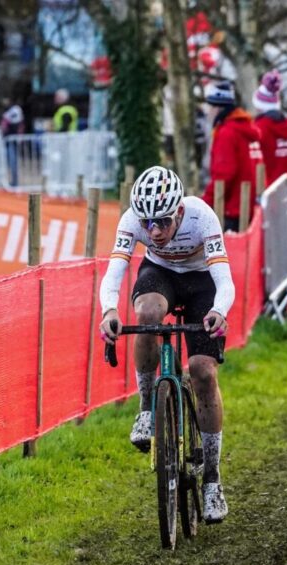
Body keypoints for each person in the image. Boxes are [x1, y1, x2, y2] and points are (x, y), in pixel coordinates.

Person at [98, 166, 234, 523]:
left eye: (162, 222)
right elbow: (114, 272)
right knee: (147, 313)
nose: (154, 231)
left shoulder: (203, 217)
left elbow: (224, 280)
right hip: (160, 275)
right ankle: (146, 408)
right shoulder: (132, 220)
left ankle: (212, 478)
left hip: (202, 283)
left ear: (179, 211)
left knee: (203, 372)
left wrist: (219, 311)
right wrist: (109, 310)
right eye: (148, 224)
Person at [201, 80, 263, 232]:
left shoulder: (227, 133)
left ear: (218, 108)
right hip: (249, 207)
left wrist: (203, 203)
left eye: (210, 106)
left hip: (232, 210)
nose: (208, 112)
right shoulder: (246, 128)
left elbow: (223, 174)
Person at [0, 100, 25, 187]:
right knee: (10, 161)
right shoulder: (11, 112)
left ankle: (15, 181)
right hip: (10, 139)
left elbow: (12, 125)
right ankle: (13, 181)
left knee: (12, 161)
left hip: (12, 140)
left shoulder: (14, 111)